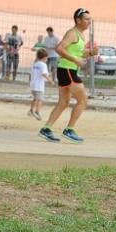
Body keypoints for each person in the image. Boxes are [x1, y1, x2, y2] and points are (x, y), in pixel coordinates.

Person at [40, 8, 97, 143]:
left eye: (90, 19)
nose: (89, 22)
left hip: (67, 70)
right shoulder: (72, 33)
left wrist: (91, 52)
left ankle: (46, 128)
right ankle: (69, 130)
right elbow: (59, 48)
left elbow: (79, 53)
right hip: (67, 70)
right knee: (83, 101)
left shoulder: (80, 35)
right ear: (78, 20)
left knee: (64, 102)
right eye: (86, 19)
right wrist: (75, 60)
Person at [28, 49, 51, 120]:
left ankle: (31, 110)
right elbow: (44, 74)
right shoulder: (43, 65)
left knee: (35, 99)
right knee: (40, 100)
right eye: (47, 58)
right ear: (44, 57)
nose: (47, 59)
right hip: (39, 86)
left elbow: (30, 74)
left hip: (33, 85)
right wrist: (50, 80)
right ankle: (37, 112)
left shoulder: (35, 64)